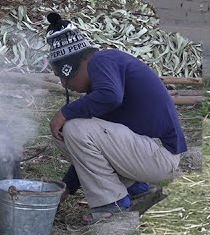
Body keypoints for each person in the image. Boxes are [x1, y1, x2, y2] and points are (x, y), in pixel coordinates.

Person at [44, 12, 186, 223]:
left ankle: (111, 204)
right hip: (148, 154)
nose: (65, 85)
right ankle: (135, 187)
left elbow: (111, 97)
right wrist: (68, 187)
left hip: (160, 155)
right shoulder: (103, 80)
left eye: (63, 77)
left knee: (72, 128)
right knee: (68, 132)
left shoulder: (102, 61)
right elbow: (92, 149)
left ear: (72, 67)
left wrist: (63, 113)